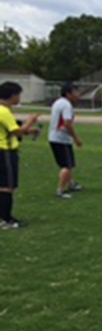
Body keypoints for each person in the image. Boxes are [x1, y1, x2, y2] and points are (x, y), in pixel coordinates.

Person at [0, 82, 41, 229]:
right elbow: (16, 131)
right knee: (7, 186)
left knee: (3, 185)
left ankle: (4, 217)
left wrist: (29, 131)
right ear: (13, 95)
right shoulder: (3, 111)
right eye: (19, 95)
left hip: (4, 149)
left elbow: (11, 130)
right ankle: (5, 219)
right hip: (5, 151)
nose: (20, 98)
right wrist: (30, 122)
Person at [48, 83, 83, 199]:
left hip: (54, 137)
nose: (78, 95)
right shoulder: (67, 105)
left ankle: (71, 183)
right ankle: (60, 190)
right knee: (67, 165)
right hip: (61, 139)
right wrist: (76, 138)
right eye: (76, 92)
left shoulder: (58, 102)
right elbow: (67, 123)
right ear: (68, 94)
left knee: (68, 163)